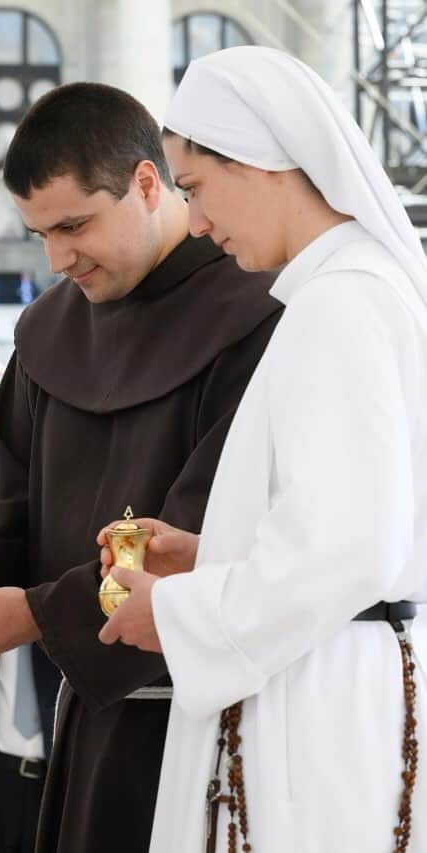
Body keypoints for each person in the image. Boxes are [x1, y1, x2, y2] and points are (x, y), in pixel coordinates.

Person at [0, 82, 283, 853]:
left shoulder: (254, 312)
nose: (58, 259)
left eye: (73, 225)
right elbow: (2, 486)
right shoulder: (47, 328)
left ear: (147, 183)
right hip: (85, 716)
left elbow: (201, 528)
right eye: (39, 235)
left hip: (215, 714)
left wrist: (34, 612)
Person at [97, 46, 427, 852]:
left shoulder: (341, 304)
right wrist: (217, 556)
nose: (199, 224)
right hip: (333, 679)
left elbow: (349, 550)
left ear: (266, 162)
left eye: (199, 188)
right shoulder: (350, 291)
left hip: (314, 704)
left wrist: (176, 613)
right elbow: (356, 532)